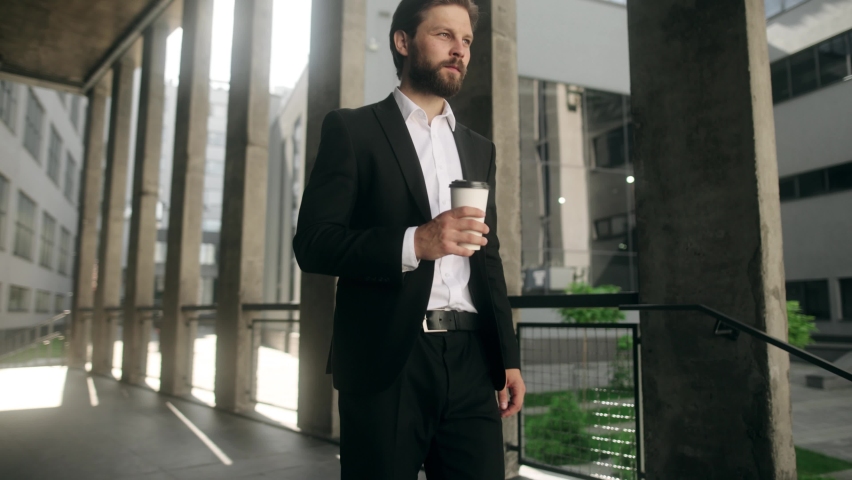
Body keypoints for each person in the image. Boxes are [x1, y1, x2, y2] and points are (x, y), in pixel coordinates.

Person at [293, 0, 525, 478]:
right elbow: (313, 243)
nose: (460, 50)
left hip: (471, 360)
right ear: (402, 41)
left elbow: (489, 257)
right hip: (387, 360)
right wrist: (415, 243)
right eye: (444, 35)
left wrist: (508, 357)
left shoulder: (478, 148)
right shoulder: (353, 129)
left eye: (466, 40)